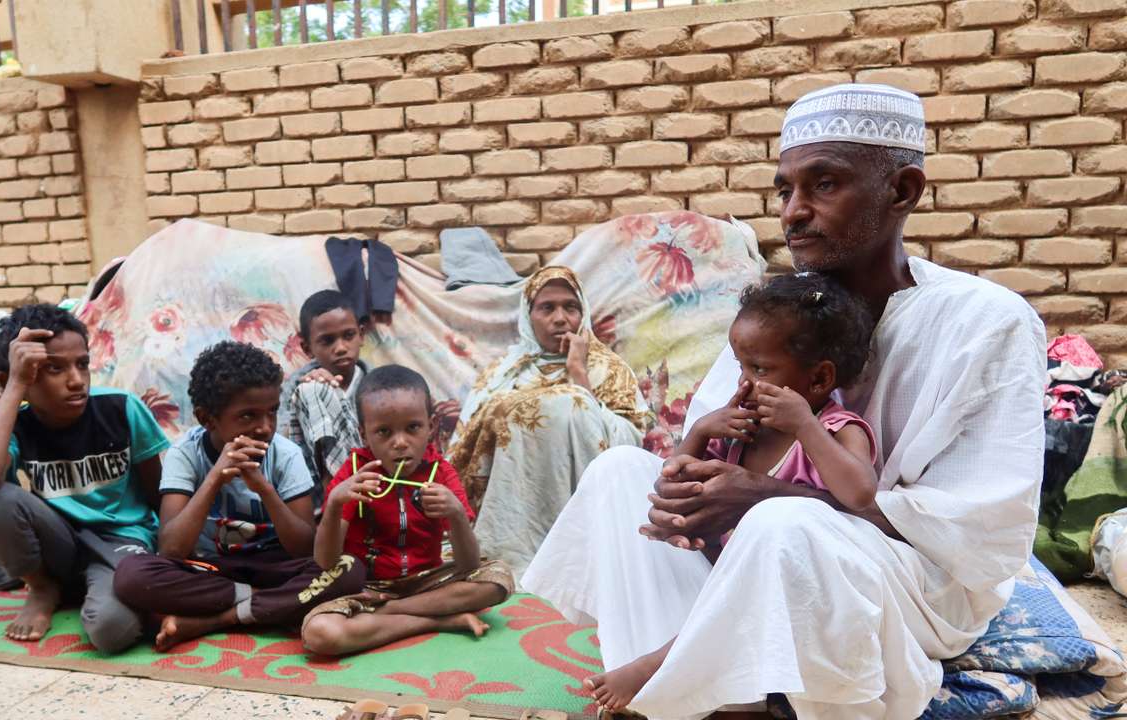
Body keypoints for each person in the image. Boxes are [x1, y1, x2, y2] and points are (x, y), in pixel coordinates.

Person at [522, 82, 1047, 719]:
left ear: (903, 191)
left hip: (910, 586)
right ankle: (706, 699)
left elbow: (979, 535)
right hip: (756, 551)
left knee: (784, 525)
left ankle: (701, 683)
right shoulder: (779, 314)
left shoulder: (987, 321)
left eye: (824, 185)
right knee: (619, 472)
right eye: (784, 190)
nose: (794, 212)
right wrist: (688, 499)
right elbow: (716, 445)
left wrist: (767, 497)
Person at [588, 272, 879, 710]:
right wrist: (701, 431)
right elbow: (674, 481)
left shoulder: (835, 430)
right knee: (637, 501)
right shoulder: (744, 430)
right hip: (725, 574)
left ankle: (659, 664)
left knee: (745, 584)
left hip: (796, 593)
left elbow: (860, 494)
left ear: (819, 379)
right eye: (740, 366)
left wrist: (805, 424)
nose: (743, 383)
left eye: (759, 369)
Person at [113, 341, 365, 650]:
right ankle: (265, 604)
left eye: (272, 412)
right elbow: (171, 549)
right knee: (132, 575)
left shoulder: (285, 455)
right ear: (207, 419)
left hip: (276, 568)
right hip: (210, 570)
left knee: (349, 569)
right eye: (248, 416)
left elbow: (304, 549)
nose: (265, 428)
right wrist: (215, 479)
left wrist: (264, 489)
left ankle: (220, 619)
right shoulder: (186, 454)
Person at [0, 303, 170, 653]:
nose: (76, 380)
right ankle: (43, 587)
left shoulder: (121, 408)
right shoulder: (16, 423)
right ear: (14, 378)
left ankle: (90, 587)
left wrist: (168, 563)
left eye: (82, 364)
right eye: (54, 368)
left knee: (112, 631)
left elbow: (158, 495)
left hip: (122, 541)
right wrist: (15, 387)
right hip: (59, 543)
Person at [446, 266, 652, 576]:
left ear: (583, 313)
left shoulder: (608, 369)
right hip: (513, 511)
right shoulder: (502, 373)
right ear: (528, 317)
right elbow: (467, 446)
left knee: (573, 402)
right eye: (547, 308)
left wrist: (579, 373)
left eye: (571, 307)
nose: (560, 318)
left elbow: (627, 444)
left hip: (583, 501)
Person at [300, 365, 513, 656]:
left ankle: (391, 612)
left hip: (426, 583)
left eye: (412, 428)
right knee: (321, 634)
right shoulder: (354, 474)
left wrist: (456, 514)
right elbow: (325, 562)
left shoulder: (441, 473)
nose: (400, 443)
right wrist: (336, 503)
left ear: (431, 426)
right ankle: (434, 621)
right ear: (364, 435)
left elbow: (468, 564)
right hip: (367, 588)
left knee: (498, 579)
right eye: (383, 432)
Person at [287, 290, 371, 502]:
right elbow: (286, 444)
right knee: (313, 391)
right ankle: (334, 498)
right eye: (327, 341)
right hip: (316, 494)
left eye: (348, 335)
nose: (341, 348)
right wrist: (319, 393)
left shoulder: (379, 386)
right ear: (307, 348)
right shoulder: (295, 389)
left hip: (373, 485)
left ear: (361, 334)